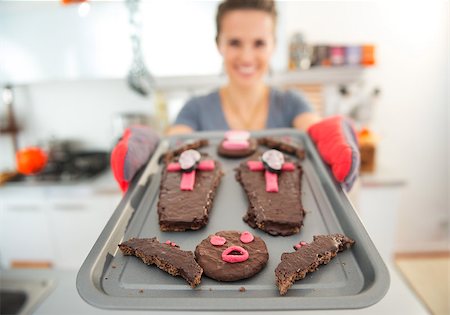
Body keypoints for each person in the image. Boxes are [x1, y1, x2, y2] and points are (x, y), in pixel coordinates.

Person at [111, 0, 359, 192]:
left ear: (273, 44)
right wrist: (153, 149)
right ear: (219, 43)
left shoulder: (293, 104)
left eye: (259, 43)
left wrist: (329, 136)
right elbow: (173, 145)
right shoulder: (195, 110)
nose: (247, 57)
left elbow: (314, 132)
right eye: (235, 43)